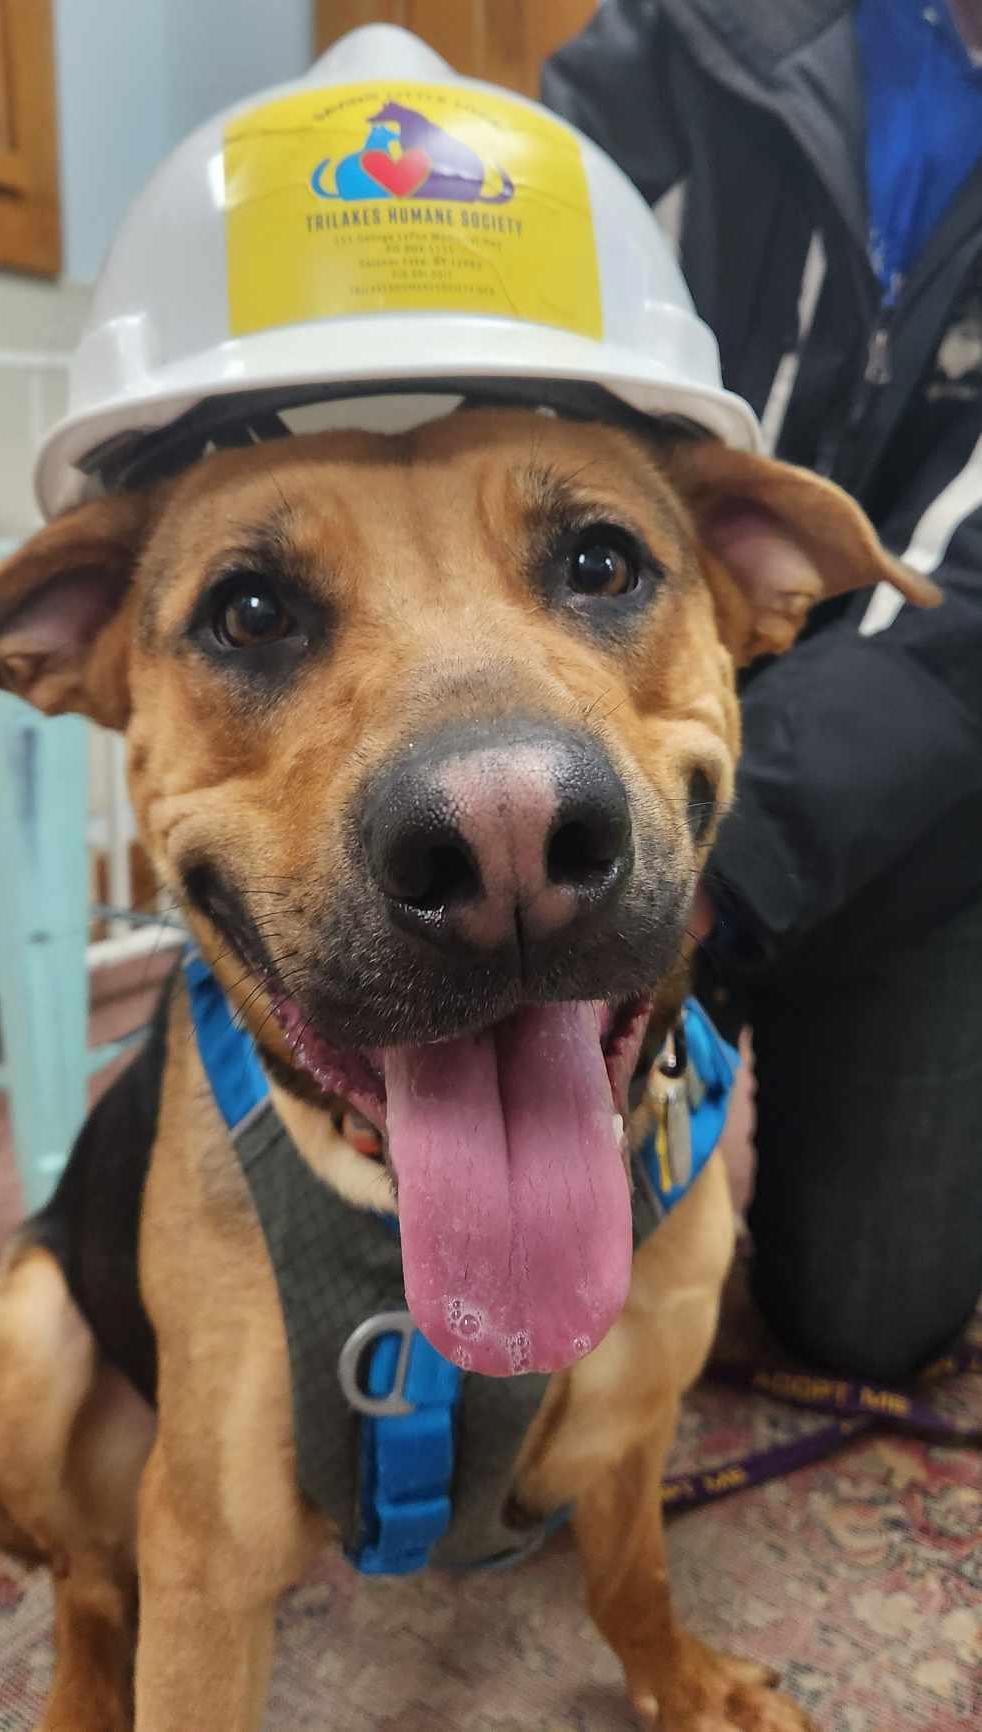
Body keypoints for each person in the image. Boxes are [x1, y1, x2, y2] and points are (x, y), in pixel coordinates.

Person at [543, 0, 982, 1383]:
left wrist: (703, 875)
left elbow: (959, 623)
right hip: (613, 734)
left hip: (927, 814)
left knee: (866, 1323)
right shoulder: (697, 31)